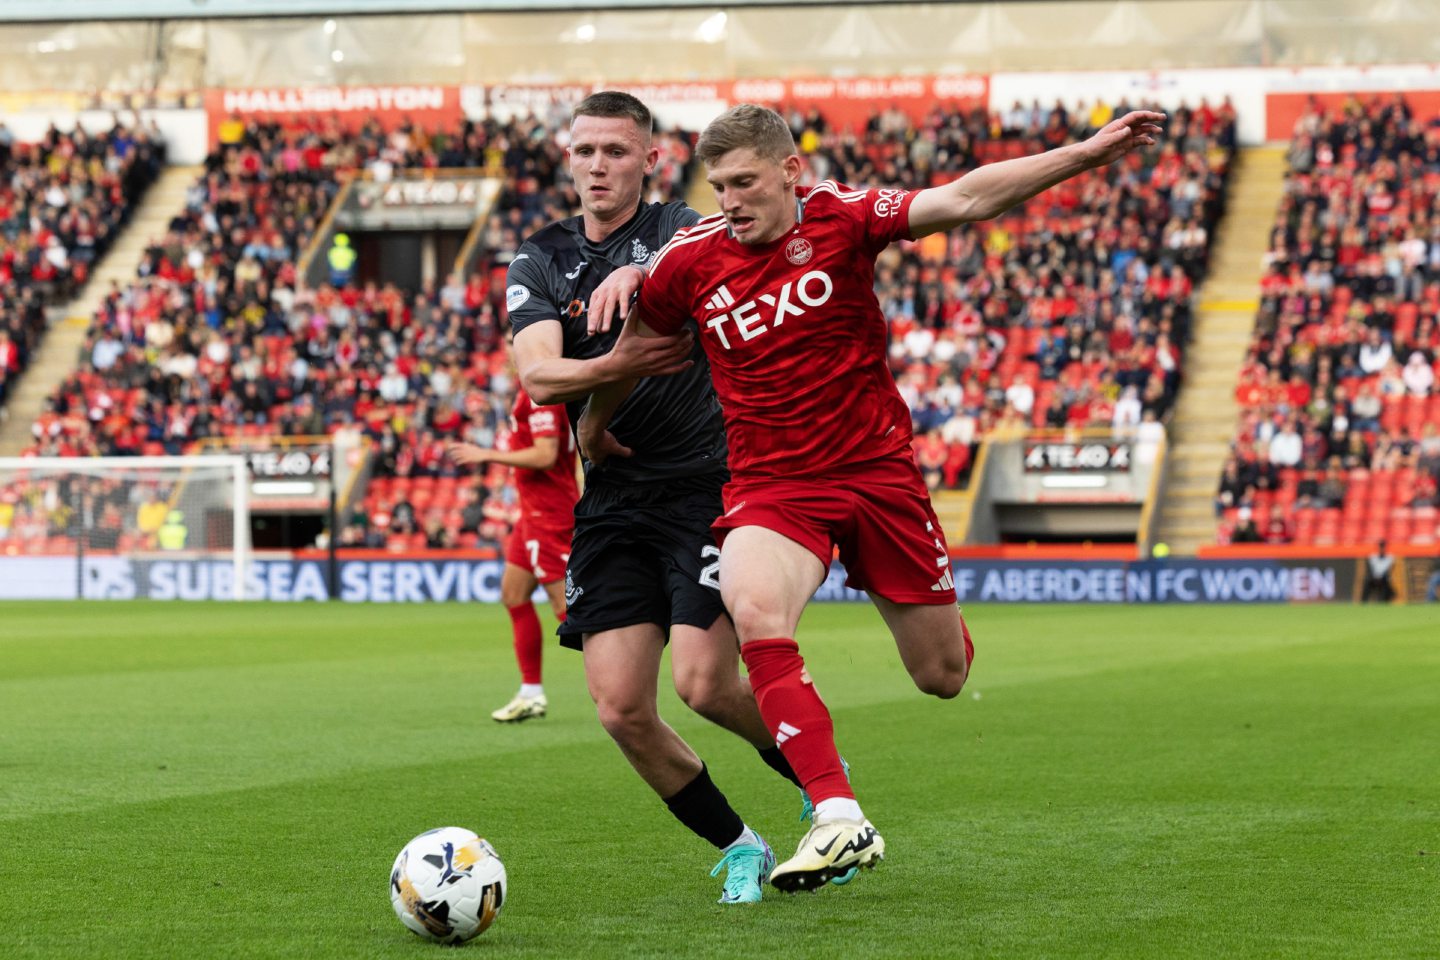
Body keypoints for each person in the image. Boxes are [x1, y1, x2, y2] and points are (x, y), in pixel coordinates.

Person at [582, 102, 1164, 891]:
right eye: (719, 186)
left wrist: (1088, 154)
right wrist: (594, 428)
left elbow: (964, 198)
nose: (730, 201)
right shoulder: (692, 260)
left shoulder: (844, 216)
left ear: (791, 171)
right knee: (755, 611)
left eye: (745, 182)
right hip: (772, 485)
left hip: (878, 476)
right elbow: (635, 350)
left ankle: (931, 640)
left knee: (942, 673)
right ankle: (838, 816)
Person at [506, 91, 809, 904]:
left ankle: (824, 785)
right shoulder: (539, 259)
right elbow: (538, 377)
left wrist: (645, 274)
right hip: (609, 501)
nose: (598, 165)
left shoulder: (687, 227)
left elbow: (709, 252)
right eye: (585, 151)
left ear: (648, 159)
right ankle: (741, 844)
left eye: (615, 151)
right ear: (569, 158)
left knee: (705, 684)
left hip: (709, 485)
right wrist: (620, 364)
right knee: (619, 709)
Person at [447, 372, 579, 723]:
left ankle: (624, 685)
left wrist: (486, 453)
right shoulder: (534, 388)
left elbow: (546, 454)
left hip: (549, 513)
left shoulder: (541, 392)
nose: (511, 347)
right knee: (514, 593)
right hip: (530, 513)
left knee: (568, 609)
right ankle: (531, 692)